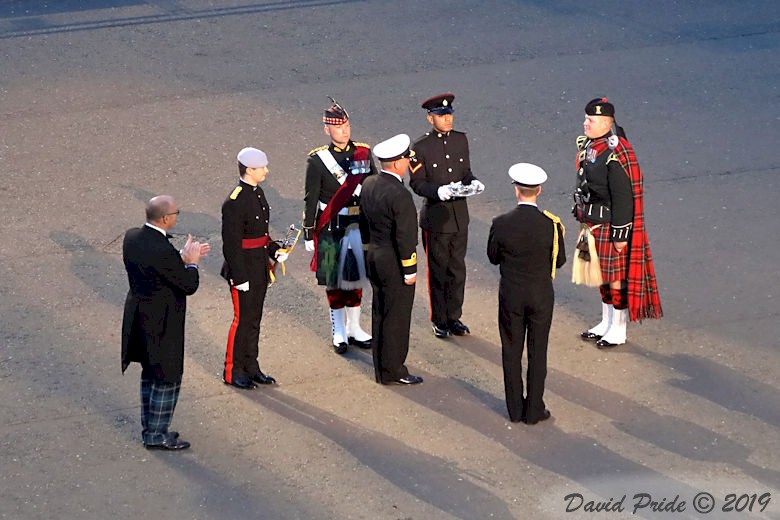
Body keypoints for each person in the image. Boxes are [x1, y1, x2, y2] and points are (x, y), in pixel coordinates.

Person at [122, 195, 210, 450]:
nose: (176, 216)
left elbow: (157, 266)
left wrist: (178, 257)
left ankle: (149, 428)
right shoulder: (162, 251)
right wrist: (191, 264)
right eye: (175, 213)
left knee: (149, 374)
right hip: (163, 324)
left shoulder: (132, 238)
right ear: (165, 218)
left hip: (139, 318)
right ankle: (157, 434)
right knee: (167, 377)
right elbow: (188, 285)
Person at [572, 97, 662, 348]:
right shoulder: (591, 146)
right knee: (601, 275)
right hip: (592, 221)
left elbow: (623, 198)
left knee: (615, 278)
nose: (585, 123)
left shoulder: (614, 153)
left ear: (604, 123)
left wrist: (621, 235)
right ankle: (606, 321)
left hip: (611, 225)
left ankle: (619, 329)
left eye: (590, 120)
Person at [487, 164, 566, 424]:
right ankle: (534, 409)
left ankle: (515, 409)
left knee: (511, 350)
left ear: (516, 191)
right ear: (539, 190)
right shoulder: (551, 225)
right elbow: (560, 260)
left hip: (511, 294)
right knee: (537, 351)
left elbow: (493, 257)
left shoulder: (501, 223)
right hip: (541, 294)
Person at [303, 98, 376, 354]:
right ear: (327, 130)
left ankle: (355, 327)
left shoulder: (363, 154)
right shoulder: (318, 160)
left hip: (359, 224)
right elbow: (310, 198)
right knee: (334, 280)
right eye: (338, 127)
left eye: (346, 125)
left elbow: (374, 188)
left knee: (356, 278)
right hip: (332, 227)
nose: (344, 130)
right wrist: (308, 231)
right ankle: (339, 331)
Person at [409, 93, 484, 338]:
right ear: (430, 118)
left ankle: (454, 317)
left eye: (449, 114)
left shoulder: (461, 140)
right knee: (438, 270)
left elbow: (466, 171)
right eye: (442, 116)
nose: (448, 119)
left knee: (457, 270)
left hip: (459, 216)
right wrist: (438, 191)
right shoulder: (420, 147)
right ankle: (439, 319)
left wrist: (473, 183)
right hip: (436, 218)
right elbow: (417, 184)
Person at [221, 147, 288, 389]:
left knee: (254, 320)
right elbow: (231, 243)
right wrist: (239, 277)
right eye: (262, 167)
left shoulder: (257, 193)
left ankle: (251, 366)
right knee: (242, 320)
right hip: (244, 271)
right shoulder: (235, 201)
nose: (266, 171)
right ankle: (233, 370)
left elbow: (261, 234)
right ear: (250, 170)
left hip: (259, 267)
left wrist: (273, 250)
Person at [360, 134, 422, 385]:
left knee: (380, 311)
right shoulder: (400, 195)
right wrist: (410, 268)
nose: (408, 163)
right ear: (397, 164)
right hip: (394, 261)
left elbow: (363, 221)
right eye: (406, 159)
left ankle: (381, 367)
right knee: (397, 316)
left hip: (373, 255)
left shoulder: (369, 184)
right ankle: (395, 369)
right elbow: (406, 237)